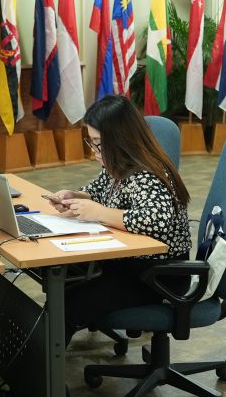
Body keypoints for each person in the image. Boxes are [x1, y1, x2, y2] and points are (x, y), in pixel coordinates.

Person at [47, 96, 192, 342]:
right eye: (91, 142)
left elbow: (155, 220)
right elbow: (97, 190)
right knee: (61, 278)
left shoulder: (147, 173)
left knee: (71, 303)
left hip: (157, 276)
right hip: (129, 264)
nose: (93, 151)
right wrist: (75, 197)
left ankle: (43, 374)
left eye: (98, 144)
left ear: (120, 140)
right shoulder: (119, 162)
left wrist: (98, 212)